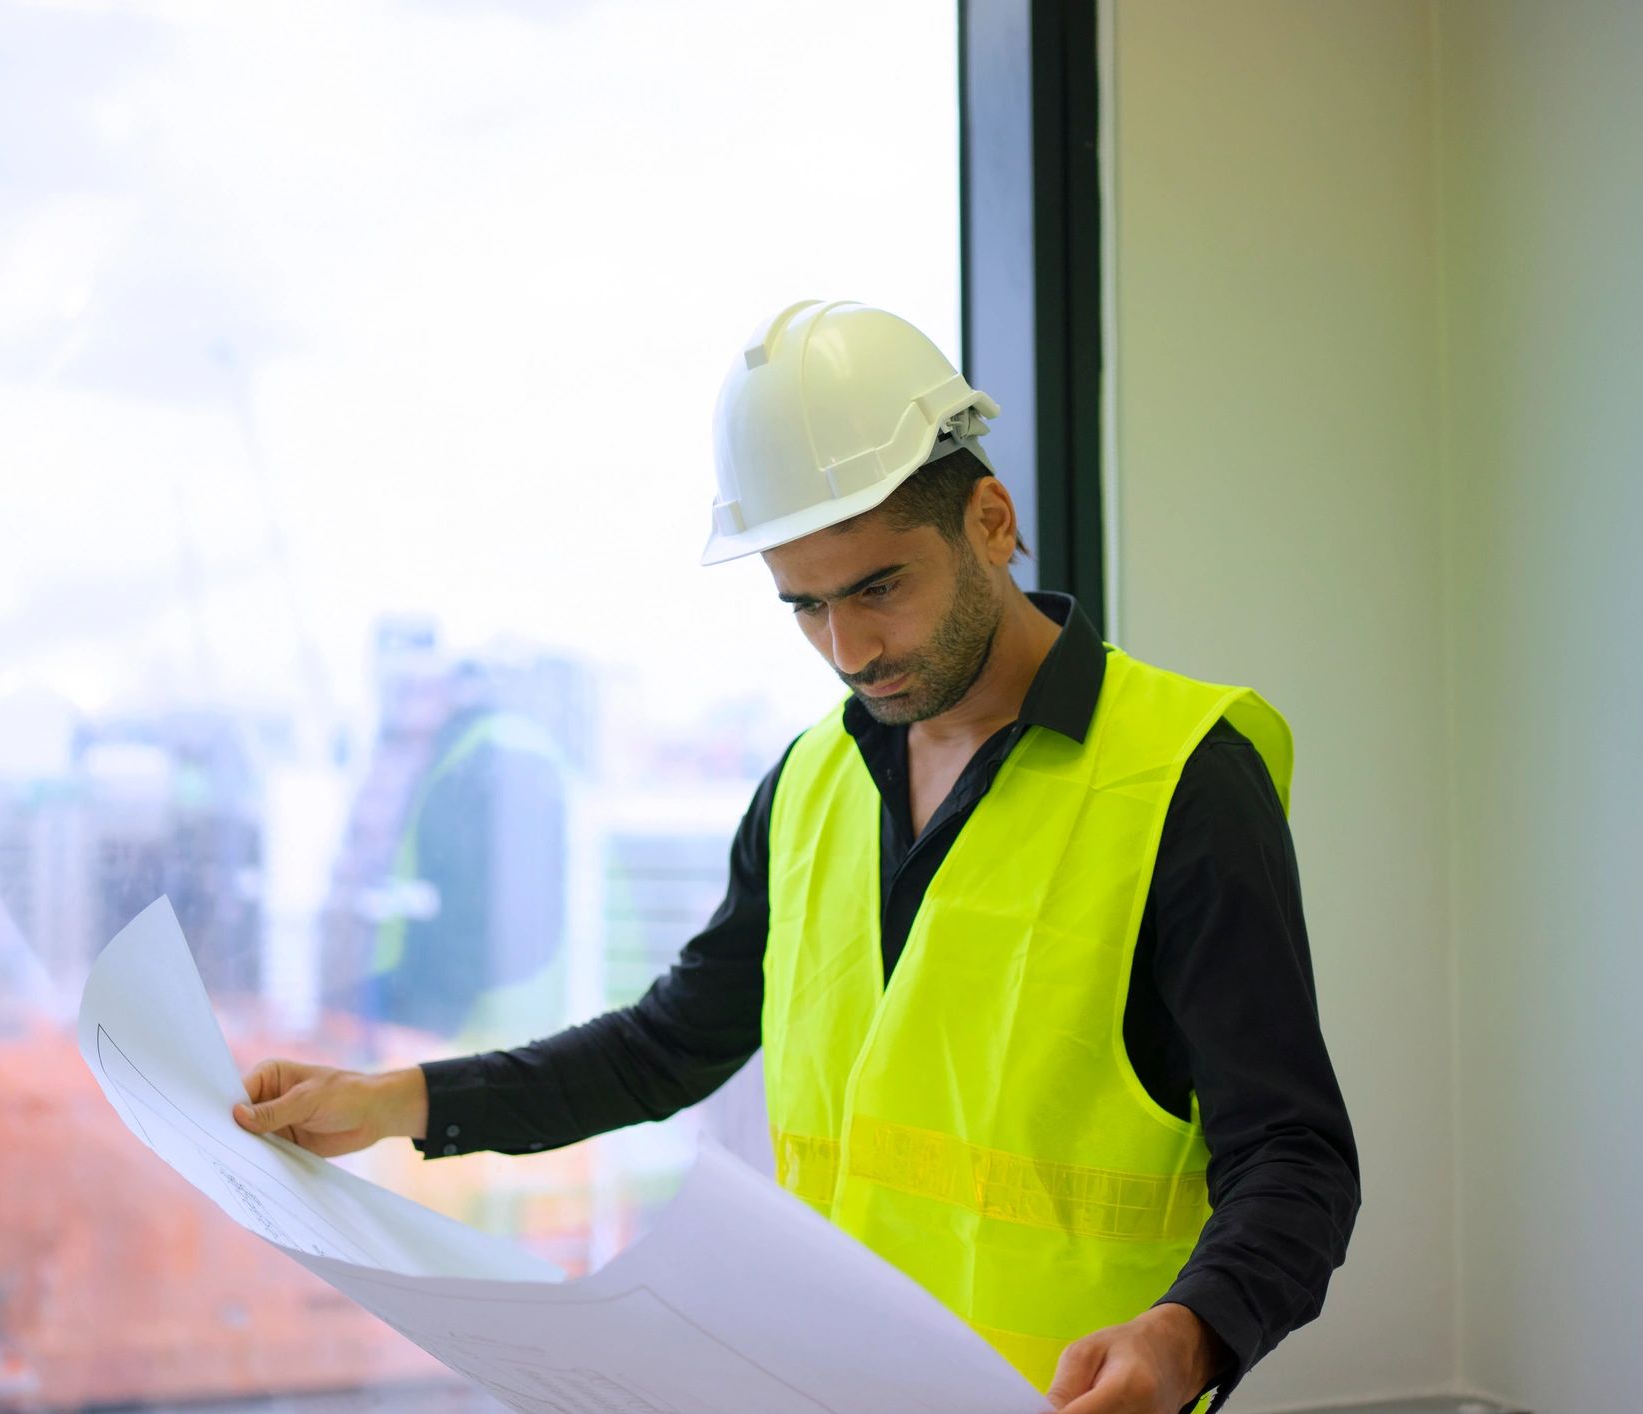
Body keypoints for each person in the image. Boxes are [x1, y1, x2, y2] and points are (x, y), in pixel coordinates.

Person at [234, 301, 1359, 1413]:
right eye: (805, 606)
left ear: (990, 521)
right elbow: (669, 1044)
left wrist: (1187, 1336)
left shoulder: (1180, 778)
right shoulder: (812, 780)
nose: (849, 648)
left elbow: (1294, 1156)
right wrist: (398, 1102)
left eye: (879, 588)